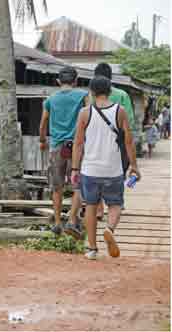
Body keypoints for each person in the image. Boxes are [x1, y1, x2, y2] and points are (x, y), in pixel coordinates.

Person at [71, 76, 141, 260]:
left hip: (89, 169)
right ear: (110, 90)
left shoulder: (84, 113)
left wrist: (75, 169)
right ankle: (109, 229)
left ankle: (92, 249)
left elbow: (78, 143)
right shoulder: (120, 111)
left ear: (92, 92)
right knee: (116, 205)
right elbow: (128, 141)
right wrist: (134, 166)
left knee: (91, 207)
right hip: (113, 169)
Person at [39, 66, 88, 239]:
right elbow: (90, 117)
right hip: (76, 146)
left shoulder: (51, 99)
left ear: (58, 81)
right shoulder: (83, 95)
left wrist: (42, 140)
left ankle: (58, 223)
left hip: (57, 146)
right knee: (79, 185)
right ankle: (72, 220)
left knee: (57, 187)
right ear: (75, 81)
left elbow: (43, 122)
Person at [93, 63, 136, 219]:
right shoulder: (122, 95)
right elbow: (129, 122)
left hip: (96, 143)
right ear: (111, 77)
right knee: (118, 172)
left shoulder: (91, 97)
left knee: (96, 173)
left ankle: (98, 208)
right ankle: (117, 201)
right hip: (119, 142)